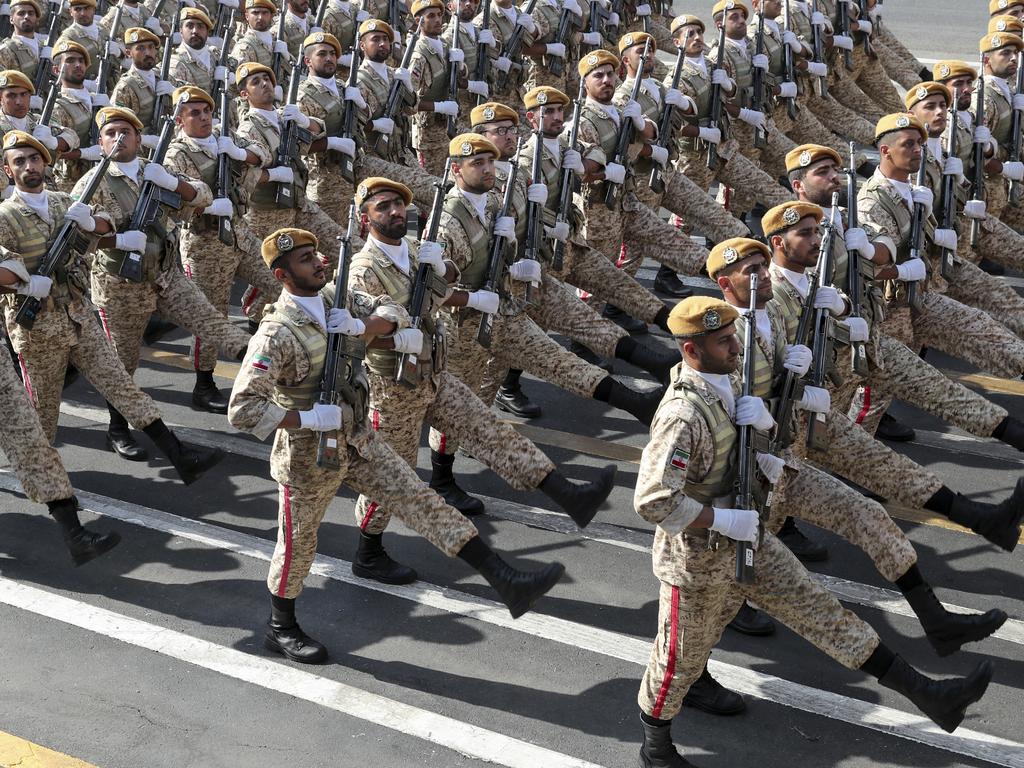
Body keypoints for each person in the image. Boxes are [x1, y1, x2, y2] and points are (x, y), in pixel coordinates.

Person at [634, 295, 992, 766]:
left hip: (750, 540)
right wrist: (721, 519)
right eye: (723, 342)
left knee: (822, 612)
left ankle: (928, 694)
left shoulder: (727, 386)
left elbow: (740, 448)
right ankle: (655, 750)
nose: (736, 347)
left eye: (733, 338)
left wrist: (764, 435)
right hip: (696, 562)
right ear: (691, 351)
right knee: (677, 660)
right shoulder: (682, 415)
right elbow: (654, 499)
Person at [228, 226, 566, 663]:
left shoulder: (337, 298)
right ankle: (281, 626)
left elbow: (394, 309)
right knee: (298, 544)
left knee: (421, 500)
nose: (319, 261)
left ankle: (506, 580)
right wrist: (307, 417)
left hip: (358, 438)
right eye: (305, 259)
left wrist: (364, 325)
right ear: (282, 275)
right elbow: (243, 409)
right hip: (308, 456)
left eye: (315, 253)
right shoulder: (275, 334)